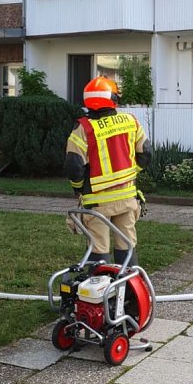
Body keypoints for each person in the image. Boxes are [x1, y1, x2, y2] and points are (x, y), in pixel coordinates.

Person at [64, 75, 151, 266]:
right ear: (113, 99)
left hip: (97, 203)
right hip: (127, 198)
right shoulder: (131, 121)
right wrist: (130, 172)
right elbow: (145, 155)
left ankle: (100, 291)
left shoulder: (83, 128)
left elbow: (74, 165)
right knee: (126, 243)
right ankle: (129, 290)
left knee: (98, 247)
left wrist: (78, 187)